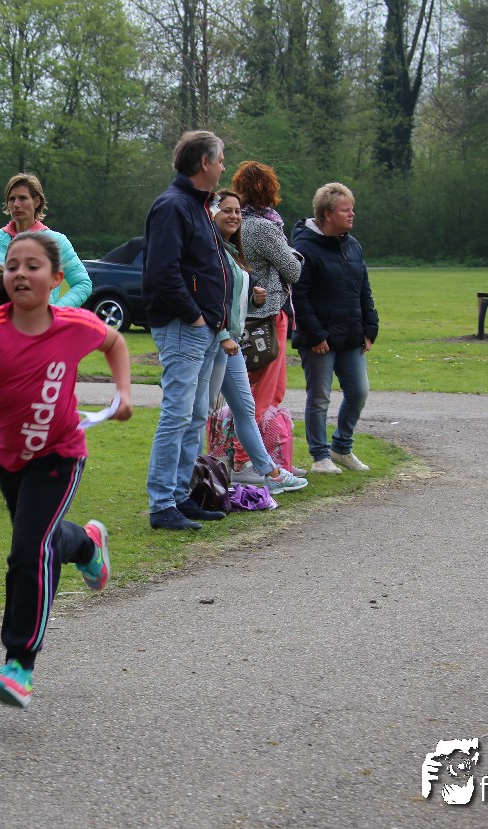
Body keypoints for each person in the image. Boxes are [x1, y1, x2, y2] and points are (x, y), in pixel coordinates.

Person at [0, 232, 132, 709]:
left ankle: (19, 663)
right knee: (42, 542)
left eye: (32, 266)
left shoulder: (74, 325)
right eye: (12, 266)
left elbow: (115, 342)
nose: (20, 273)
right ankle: (86, 544)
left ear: (56, 278)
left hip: (61, 455)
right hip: (10, 462)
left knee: (28, 552)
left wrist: (123, 393)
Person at [142, 130, 232, 531]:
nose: (224, 167)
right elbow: (162, 272)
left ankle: (181, 495)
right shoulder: (173, 206)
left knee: (195, 415)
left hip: (206, 327)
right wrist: (193, 315)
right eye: (221, 160)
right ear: (204, 163)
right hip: (183, 327)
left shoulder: (198, 206)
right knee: (177, 414)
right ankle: (162, 503)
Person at [209, 190, 308, 494]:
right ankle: (202, 475)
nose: (234, 216)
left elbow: (232, 298)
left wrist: (253, 299)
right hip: (215, 342)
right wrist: (223, 335)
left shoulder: (232, 248)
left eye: (237, 210)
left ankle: (269, 472)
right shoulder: (211, 250)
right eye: (227, 210)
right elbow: (209, 298)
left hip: (234, 341)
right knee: (201, 411)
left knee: (245, 405)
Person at [291, 182, 379, 474]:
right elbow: (298, 296)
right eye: (346, 210)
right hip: (319, 339)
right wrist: (315, 334)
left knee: (359, 392)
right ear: (327, 214)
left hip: (350, 335)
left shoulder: (352, 245)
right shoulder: (304, 248)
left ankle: (341, 448)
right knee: (320, 398)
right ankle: (320, 456)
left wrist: (370, 327)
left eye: (352, 209)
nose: (352, 214)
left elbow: (363, 289)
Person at [230, 161, 302, 426]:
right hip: (268, 315)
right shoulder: (265, 228)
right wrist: (295, 255)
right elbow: (293, 271)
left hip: (241, 313)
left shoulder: (232, 222)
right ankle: (246, 448)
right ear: (269, 190)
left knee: (250, 385)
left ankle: (265, 446)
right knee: (265, 391)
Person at [0, 173, 92, 309]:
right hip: (0, 321)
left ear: (37, 202)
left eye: (22, 198)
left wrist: (56, 311)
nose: (16, 204)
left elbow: (83, 284)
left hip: (41, 322)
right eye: (12, 199)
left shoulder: (57, 242)